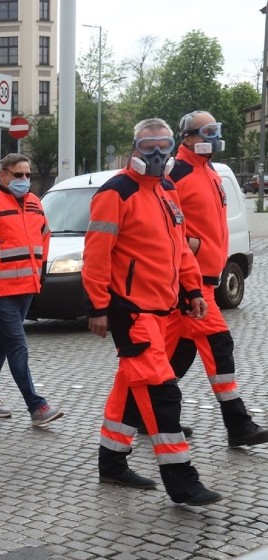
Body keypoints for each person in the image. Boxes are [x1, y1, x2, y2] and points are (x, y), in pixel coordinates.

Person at [83, 117, 222, 506]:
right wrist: (97, 306)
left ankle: (111, 463)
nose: (158, 153)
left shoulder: (167, 189)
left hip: (163, 309)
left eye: (163, 144)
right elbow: (96, 256)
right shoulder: (116, 192)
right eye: (148, 147)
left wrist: (192, 289)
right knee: (162, 392)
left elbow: (180, 248)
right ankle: (181, 480)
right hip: (131, 311)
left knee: (130, 387)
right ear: (135, 148)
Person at [166, 110, 268, 447]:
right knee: (218, 345)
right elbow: (162, 224)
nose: (214, 136)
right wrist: (188, 243)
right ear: (188, 137)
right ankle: (238, 424)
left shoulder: (208, 170)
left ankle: (141, 413)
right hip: (189, 282)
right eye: (207, 131)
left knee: (177, 354)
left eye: (215, 130)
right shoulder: (176, 172)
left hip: (208, 277)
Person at [0, 153, 63, 426]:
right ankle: (37, 406)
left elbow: (45, 237)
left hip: (27, 287)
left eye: (28, 175)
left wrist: (39, 275)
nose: (24, 180)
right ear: (3, 175)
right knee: (17, 345)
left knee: (1, 342)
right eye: (18, 175)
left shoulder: (34, 203)